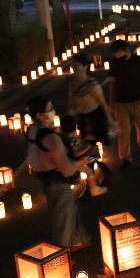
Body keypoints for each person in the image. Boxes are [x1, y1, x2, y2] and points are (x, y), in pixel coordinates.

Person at [25, 96, 92, 249]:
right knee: (63, 216)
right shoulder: (51, 138)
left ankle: (78, 239)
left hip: (43, 178)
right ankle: (60, 256)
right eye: (49, 110)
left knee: (68, 209)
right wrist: (84, 161)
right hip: (57, 180)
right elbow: (67, 170)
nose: (53, 112)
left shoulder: (32, 130)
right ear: (39, 116)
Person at [108, 40, 140, 165]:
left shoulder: (137, 60)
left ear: (124, 50)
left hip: (137, 100)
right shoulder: (114, 63)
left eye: (116, 52)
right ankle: (125, 157)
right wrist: (111, 101)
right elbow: (112, 83)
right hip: (121, 103)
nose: (115, 55)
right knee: (123, 131)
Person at [69, 53, 114, 145]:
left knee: (96, 144)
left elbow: (102, 103)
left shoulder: (92, 85)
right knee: (85, 145)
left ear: (85, 67)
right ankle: (92, 158)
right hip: (82, 118)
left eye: (77, 66)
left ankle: (97, 158)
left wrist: (110, 119)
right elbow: (71, 102)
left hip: (95, 118)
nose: (74, 68)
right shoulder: (72, 85)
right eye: (73, 66)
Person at [59, 115, 107, 197]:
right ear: (75, 126)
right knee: (92, 162)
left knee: (92, 161)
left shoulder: (63, 136)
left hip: (69, 160)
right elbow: (76, 153)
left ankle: (94, 185)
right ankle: (94, 189)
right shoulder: (73, 139)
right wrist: (88, 147)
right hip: (75, 161)